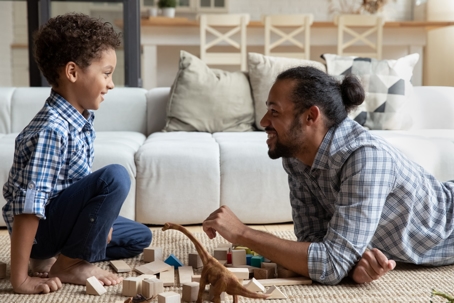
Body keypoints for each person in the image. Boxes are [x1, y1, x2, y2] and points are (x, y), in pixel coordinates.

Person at [203, 66, 454, 285]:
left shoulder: (365, 158)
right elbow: (313, 242)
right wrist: (352, 264)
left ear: (311, 116)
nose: (263, 120)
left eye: (274, 111)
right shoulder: (296, 158)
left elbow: (330, 265)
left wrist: (243, 234)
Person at [2, 13, 151, 294]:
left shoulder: (80, 120)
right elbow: (28, 206)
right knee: (115, 176)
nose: (111, 84)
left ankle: (63, 257)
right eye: (106, 73)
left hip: (60, 223)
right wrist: (19, 278)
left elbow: (75, 186)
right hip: (41, 232)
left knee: (139, 236)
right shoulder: (52, 129)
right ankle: (68, 264)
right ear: (72, 72)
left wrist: (99, 221)